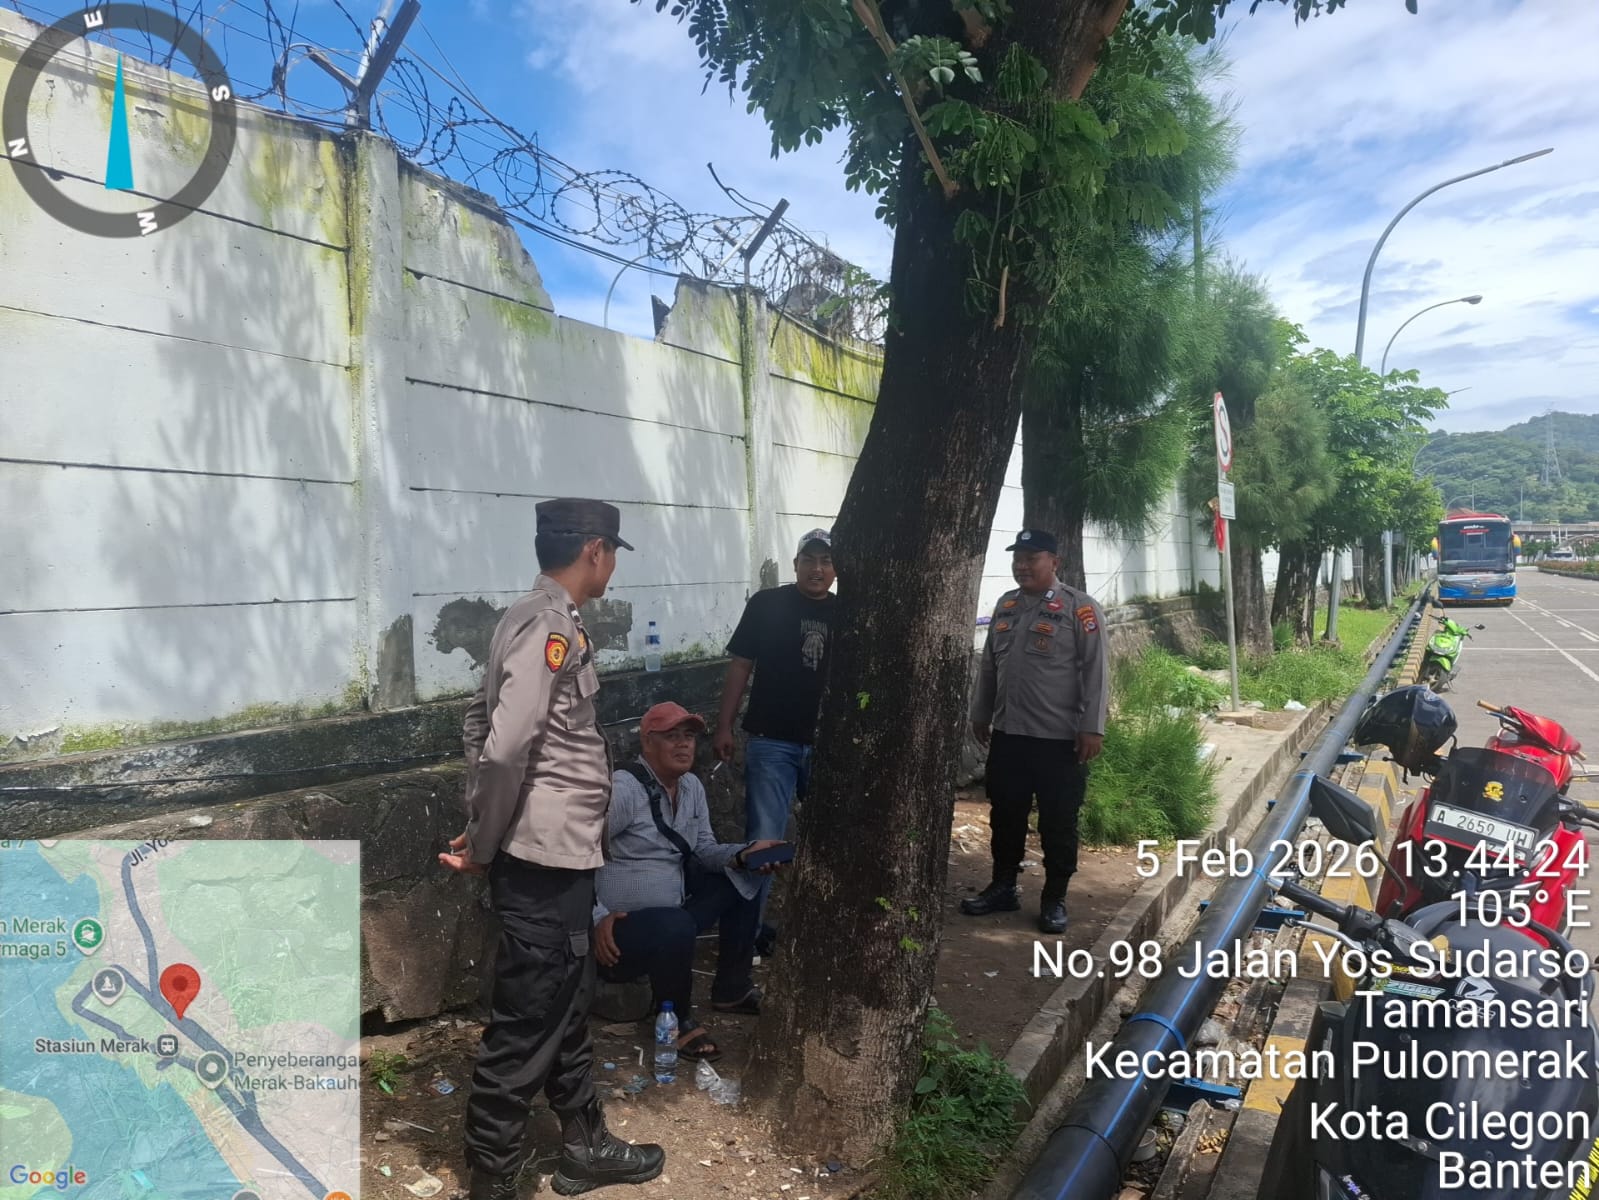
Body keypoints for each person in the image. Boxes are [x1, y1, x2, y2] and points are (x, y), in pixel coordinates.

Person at [439, 498, 664, 1200]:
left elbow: (482, 725)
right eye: (613, 553)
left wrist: (486, 820)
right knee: (528, 1017)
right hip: (543, 859)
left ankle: (584, 1145)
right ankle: (493, 1176)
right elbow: (507, 747)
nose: (613, 566)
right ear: (594, 550)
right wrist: (485, 840)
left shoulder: (529, 617)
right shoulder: (546, 625)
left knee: (564, 1000)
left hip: (555, 854)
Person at [593, 702, 786, 1059]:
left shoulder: (692, 786)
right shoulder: (625, 789)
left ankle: (732, 989)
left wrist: (745, 854)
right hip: (620, 934)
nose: (683, 744)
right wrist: (596, 917)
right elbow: (578, 852)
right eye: (672, 736)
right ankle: (677, 1019)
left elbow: (704, 848)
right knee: (676, 923)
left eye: (689, 736)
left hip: (674, 917)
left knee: (744, 877)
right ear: (647, 742)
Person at [961, 529, 1108, 935]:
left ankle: (1054, 898)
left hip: (1058, 740)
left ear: (1054, 562)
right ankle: (1003, 887)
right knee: (1005, 815)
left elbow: (1096, 671)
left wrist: (1092, 727)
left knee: (1058, 822)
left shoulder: (1080, 608)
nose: (1022, 566)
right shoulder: (1006, 605)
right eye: (1018, 559)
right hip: (1010, 735)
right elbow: (989, 666)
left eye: (1031, 558)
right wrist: (981, 713)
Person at [712, 528, 837, 938]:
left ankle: (822, 931)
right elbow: (740, 665)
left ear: (836, 568)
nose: (817, 569)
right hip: (771, 742)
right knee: (765, 842)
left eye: (826, 561)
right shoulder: (767, 605)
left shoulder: (846, 612)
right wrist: (724, 725)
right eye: (809, 560)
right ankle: (745, 939)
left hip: (829, 745)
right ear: (796, 564)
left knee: (833, 839)